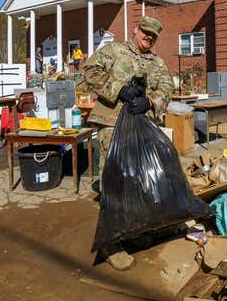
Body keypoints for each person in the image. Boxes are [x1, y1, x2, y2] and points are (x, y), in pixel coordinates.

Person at [82, 16, 174, 271]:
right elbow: (90, 71)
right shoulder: (114, 50)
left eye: (153, 35)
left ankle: (134, 229)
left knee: (140, 180)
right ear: (136, 29)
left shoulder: (157, 62)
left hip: (142, 127)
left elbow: (167, 86)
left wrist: (151, 102)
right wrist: (118, 88)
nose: (149, 37)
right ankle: (111, 243)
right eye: (145, 31)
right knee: (115, 183)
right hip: (112, 126)